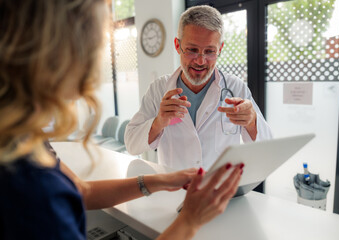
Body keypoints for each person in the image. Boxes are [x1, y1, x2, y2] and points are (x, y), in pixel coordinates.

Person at [0, 0, 244, 239]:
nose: (98, 62)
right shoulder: (27, 184)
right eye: (96, 42)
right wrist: (190, 221)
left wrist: (160, 179)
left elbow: (80, 191)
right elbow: (132, 142)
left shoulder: (22, 140)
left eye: (209, 51)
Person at [125, 5, 273, 170]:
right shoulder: (159, 89)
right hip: (175, 191)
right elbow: (131, 145)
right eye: (192, 50)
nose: (201, 61)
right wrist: (158, 122)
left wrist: (252, 121)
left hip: (219, 190)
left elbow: (267, 149)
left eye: (209, 51)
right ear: (177, 45)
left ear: (220, 49)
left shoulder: (236, 88)